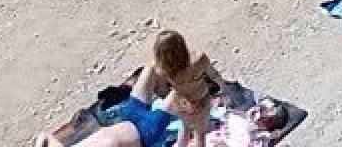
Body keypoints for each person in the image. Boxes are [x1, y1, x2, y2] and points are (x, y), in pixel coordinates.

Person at [32, 30, 221, 147]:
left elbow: (43, 137)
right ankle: (182, 86)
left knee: (150, 70)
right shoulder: (199, 60)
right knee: (180, 96)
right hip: (145, 133)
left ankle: (174, 71)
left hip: (128, 115)